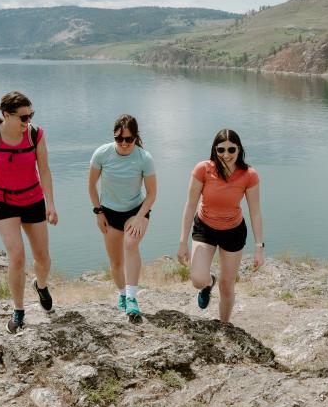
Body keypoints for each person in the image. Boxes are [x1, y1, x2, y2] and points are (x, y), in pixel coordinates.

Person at [0, 91, 58, 333]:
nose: (28, 121)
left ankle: (40, 285)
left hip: (33, 199)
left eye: (31, 115)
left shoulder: (35, 135)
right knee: (17, 256)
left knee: (43, 258)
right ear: (6, 115)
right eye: (24, 117)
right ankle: (18, 311)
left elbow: (45, 170)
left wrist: (51, 205)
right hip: (3, 202)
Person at [177, 128, 264, 324]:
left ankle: (225, 325)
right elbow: (190, 205)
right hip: (205, 228)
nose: (226, 155)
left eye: (231, 149)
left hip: (233, 231)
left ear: (239, 149)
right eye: (220, 150)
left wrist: (259, 248)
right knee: (198, 279)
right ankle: (209, 283)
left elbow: (255, 212)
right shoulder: (203, 169)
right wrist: (183, 242)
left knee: (227, 285)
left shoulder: (249, 175)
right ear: (214, 150)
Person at [88, 114, 157, 322]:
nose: (124, 143)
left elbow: (152, 193)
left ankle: (133, 298)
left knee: (130, 243)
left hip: (136, 211)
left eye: (129, 139)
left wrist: (138, 218)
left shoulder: (144, 158)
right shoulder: (102, 154)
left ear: (136, 137)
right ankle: (122, 293)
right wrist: (98, 212)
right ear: (114, 136)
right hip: (109, 212)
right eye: (120, 139)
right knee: (116, 261)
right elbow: (91, 185)